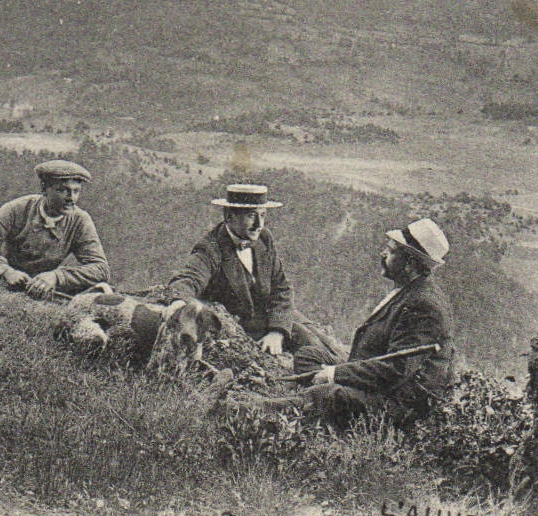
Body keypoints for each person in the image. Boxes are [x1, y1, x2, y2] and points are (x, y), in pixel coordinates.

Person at [231, 217, 455, 426]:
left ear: (410, 263)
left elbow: (396, 371)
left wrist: (335, 374)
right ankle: (318, 402)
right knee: (310, 357)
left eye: (391, 251)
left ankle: (243, 413)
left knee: (325, 395)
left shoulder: (425, 306)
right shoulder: (409, 291)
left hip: (398, 404)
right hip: (378, 376)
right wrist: (338, 372)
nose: (382, 254)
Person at [165, 183, 316, 355]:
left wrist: (277, 332)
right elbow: (187, 279)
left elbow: (281, 287)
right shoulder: (211, 248)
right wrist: (179, 303)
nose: (258, 224)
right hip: (238, 335)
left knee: (314, 342)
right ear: (229, 216)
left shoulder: (264, 239)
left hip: (270, 327)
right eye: (252, 216)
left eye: (263, 215)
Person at [0, 159, 110, 300]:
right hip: (1, 279)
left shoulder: (80, 220)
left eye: (76, 191)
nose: (71, 198)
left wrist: (57, 277)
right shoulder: (17, 209)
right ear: (44, 189)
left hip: (39, 286)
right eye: (63, 190)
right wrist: (4, 271)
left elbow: (100, 268)